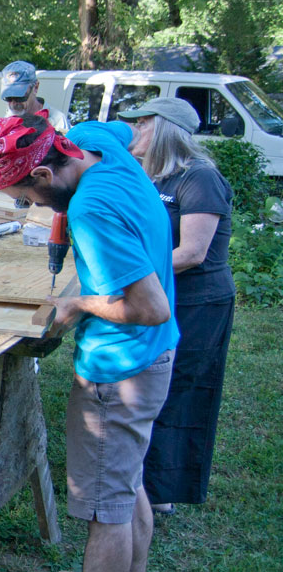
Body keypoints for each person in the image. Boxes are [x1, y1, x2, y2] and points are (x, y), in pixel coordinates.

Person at [0, 113, 179, 572]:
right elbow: (135, 130)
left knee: (104, 513)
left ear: (44, 174)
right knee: (124, 487)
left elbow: (151, 307)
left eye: (28, 196)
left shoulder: (90, 209)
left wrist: (78, 305)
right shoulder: (92, 138)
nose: (37, 206)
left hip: (118, 370)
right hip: (154, 356)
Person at [119, 98, 235, 515]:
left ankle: (164, 490)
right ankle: (143, 477)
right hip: (159, 296)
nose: (133, 131)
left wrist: (131, 271)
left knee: (182, 389)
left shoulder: (200, 177)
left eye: (141, 123)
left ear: (164, 128)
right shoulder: (151, 177)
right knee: (151, 384)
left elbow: (192, 253)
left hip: (198, 302)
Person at [1, 61, 70, 133]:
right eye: (8, 98)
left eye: (19, 97)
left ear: (36, 87)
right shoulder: (7, 119)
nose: (13, 104)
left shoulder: (57, 120)